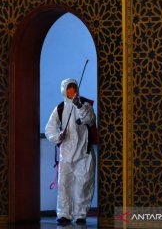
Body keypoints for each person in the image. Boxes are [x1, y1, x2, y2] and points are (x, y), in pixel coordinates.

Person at [45, 78, 96, 225]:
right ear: (64, 90)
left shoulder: (85, 105)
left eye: (73, 87)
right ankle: (64, 215)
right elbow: (49, 129)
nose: (71, 90)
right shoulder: (60, 108)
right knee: (64, 185)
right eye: (69, 88)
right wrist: (58, 136)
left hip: (83, 153)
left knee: (83, 185)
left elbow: (90, 119)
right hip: (66, 154)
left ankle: (80, 215)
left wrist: (79, 105)